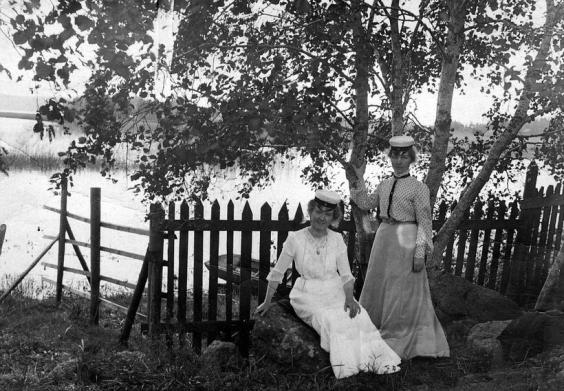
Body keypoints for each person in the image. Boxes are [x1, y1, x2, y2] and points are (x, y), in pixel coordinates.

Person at [255, 190, 401, 379]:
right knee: (331, 319)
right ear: (310, 212)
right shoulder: (295, 239)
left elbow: (346, 275)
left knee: (359, 316)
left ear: (333, 217)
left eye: (327, 214)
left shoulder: (337, 239)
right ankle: (347, 368)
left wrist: (350, 299)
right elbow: (277, 273)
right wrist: (267, 302)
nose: (321, 217)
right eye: (318, 212)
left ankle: (372, 361)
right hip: (307, 293)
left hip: (334, 290)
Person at [349, 135, 450, 360]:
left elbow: (425, 222)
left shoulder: (419, 188)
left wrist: (420, 252)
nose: (398, 160)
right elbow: (365, 203)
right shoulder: (384, 184)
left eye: (404, 156)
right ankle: (373, 331)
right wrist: (359, 179)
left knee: (401, 290)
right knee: (379, 285)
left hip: (406, 240)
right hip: (384, 239)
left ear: (411, 158)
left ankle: (398, 336)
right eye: (395, 155)